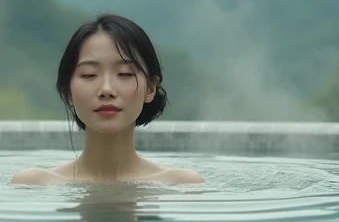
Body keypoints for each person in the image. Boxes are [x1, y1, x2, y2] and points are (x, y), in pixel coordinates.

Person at [11, 13, 204, 185]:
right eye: (89, 75)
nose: (106, 90)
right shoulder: (34, 185)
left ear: (151, 88)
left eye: (125, 73)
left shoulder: (180, 186)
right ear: (68, 92)